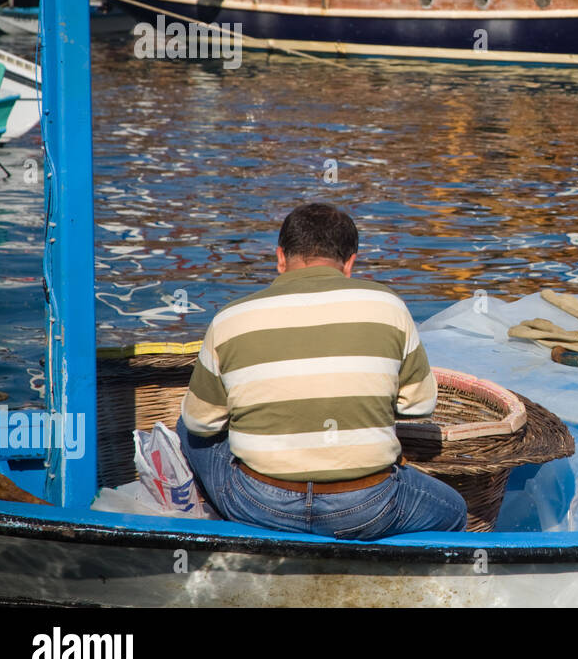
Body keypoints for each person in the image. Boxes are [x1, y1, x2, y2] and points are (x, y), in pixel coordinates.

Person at [178, 202, 468, 538]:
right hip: (368, 506)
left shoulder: (229, 318)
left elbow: (201, 421)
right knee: (454, 511)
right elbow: (419, 405)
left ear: (280, 258)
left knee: (186, 427)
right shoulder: (389, 306)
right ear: (349, 263)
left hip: (258, 504)